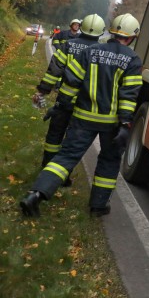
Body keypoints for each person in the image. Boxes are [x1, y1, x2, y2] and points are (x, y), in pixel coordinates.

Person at [20, 14, 143, 218]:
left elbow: (72, 82)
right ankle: (98, 206)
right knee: (109, 161)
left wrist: (61, 106)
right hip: (110, 123)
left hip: (82, 118)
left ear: (111, 31)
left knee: (65, 157)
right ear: (131, 38)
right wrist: (125, 122)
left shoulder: (91, 51)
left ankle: (35, 195)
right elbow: (129, 94)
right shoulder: (132, 60)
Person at [31, 14, 106, 185]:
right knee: (71, 144)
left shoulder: (69, 45)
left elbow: (54, 71)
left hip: (64, 100)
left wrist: (42, 91)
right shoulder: (101, 52)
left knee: (54, 135)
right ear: (101, 32)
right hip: (84, 106)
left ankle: (46, 169)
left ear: (82, 27)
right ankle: (63, 177)